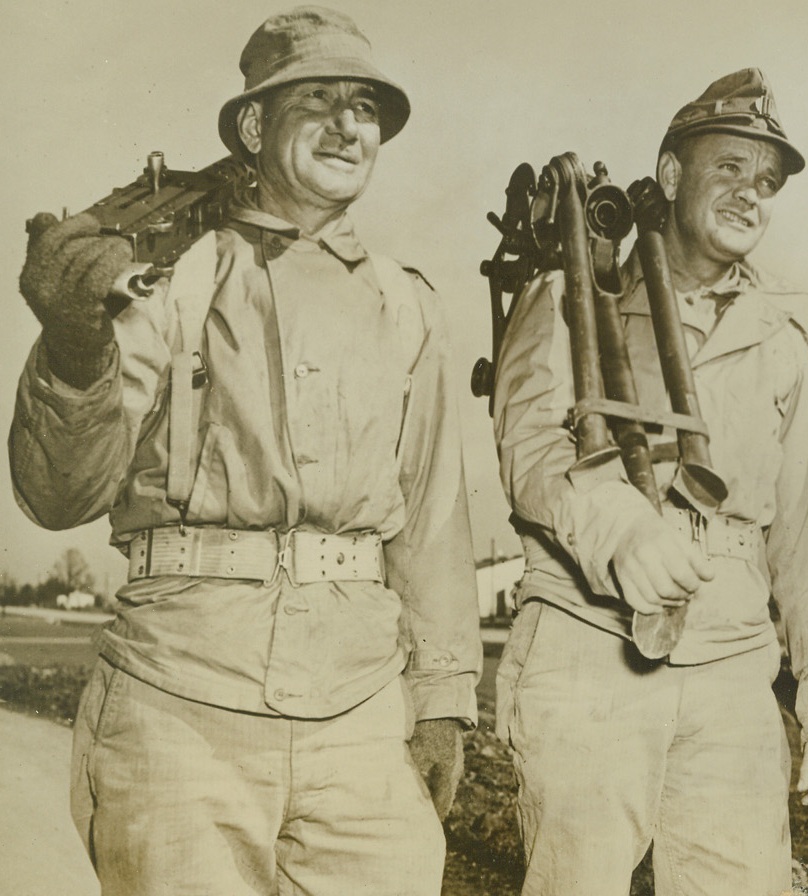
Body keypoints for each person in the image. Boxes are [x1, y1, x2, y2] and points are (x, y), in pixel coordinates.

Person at [11, 7, 480, 894]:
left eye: (367, 108)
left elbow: (434, 521)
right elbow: (58, 496)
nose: (349, 125)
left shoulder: (406, 305)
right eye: (319, 101)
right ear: (257, 126)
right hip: (180, 698)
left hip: (361, 715)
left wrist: (446, 705)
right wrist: (75, 351)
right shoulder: (165, 278)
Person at [491, 68, 808, 895]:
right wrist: (619, 528)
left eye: (766, 181)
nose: (750, 193)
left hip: (733, 660)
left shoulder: (783, 342)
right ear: (670, 175)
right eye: (729, 167)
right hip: (589, 639)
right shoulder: (571, 299)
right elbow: (527, 448)